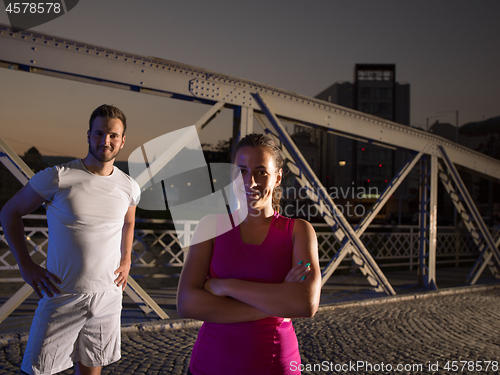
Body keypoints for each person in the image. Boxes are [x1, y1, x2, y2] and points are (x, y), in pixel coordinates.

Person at [0, 104, 140, 375]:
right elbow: (9, 213)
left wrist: (126, 258)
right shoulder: (58, 176)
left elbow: (129, 221)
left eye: (112, 135)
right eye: (99, 134)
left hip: (108, 296)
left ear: (122, 141)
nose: (105, 141)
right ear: (88, 135)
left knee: (90, 369)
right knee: (37, 370)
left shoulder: (129, 186)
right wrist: (26, 265)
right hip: (62, 294)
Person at [177, 133, 321, 375]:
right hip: (209, 365)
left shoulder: (298, 231)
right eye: (241, 170)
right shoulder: (210, 226)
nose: (250, 181)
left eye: (261, 171)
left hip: (275, 366)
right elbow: (186, 304)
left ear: (277, 177)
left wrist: (225, 287)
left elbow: (304, 303)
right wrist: (278, 303)